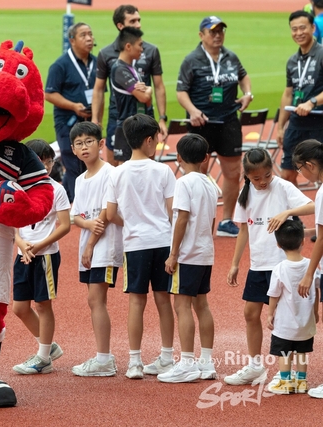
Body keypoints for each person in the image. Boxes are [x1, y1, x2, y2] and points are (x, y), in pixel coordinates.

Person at [225, 148, 312, 386]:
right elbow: (244, 230)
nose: (263, 181)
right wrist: (235, 264)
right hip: (258, 265)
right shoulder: (245, 194)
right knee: (250, 314)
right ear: (247, 176)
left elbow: (312, 206)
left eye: (267, 175)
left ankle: (287, 373)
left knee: (285, 319)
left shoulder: (283, 187)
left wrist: (287, 213)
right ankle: (255, 366)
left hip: (283, 265)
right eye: (256, 178)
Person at [106, 114, 176, 379]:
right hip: (162, 241)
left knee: (136, 302)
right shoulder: (163, 171)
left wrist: (132, 223)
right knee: (163, 300)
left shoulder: (117, 173)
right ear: (148, 140)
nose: (157, 143)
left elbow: (110, 214)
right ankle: (167, 357)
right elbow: (172, 211)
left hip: (135, 244)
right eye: (156, 139)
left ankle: (135, 362)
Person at [176, 16, 254, 238]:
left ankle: (226, 220)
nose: (217, 35)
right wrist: (192, 111)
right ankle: (196, 220)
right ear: (201, 35)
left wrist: (248, 94)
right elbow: (181, 92)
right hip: (202, 124)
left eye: (221, 31)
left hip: (229, 122)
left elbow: (244, 76)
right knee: (197, 173)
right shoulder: (191, 60)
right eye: (212, 31)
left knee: (232, 173)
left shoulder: (231, 57)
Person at [159, 134, 217, 383]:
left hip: (187, 254)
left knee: (182, 306)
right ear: (206, 157)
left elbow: (181, 218)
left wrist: (173, 254)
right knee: (202, 305)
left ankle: (187, 363)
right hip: (205, 252)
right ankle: (206, 362)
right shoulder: (210, 183)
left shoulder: (183, 183)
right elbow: (212, 220)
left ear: (179, 157)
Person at [12, 139, 70, 375]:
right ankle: (48, 346)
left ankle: (43, 358)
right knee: (19, 308)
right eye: (40, 161)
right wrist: (20, 242)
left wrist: (38, 246)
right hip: (23, 253)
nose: (46, 166)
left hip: (45, 255)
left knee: (42, 305)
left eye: (49, 161)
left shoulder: (57, 189)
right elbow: (11, 220)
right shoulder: (17, 187)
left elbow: (65, 225)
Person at [69, 122, 123, 376]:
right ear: (73, 149)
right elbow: (75, 215)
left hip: (105, 245)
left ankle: (104, 359)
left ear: (101, 144)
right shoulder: (80, 180)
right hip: (90, 245)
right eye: (79, 143)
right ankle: (103, 357)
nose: (84, 147)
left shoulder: (110, 173)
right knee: (94, 300)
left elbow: (105, 214)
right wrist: (86, 224)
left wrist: (90, 244)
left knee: (95, 299)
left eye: (89, 141)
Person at [92, 4, 167, 166]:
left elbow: (159, 86)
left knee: (148, 165)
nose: (138, 25)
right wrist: (95, 118)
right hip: (118, 116)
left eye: (139, 20)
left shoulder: (151, 50)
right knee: (115, 166)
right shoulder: (106, 53)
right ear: (120, 25)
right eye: (132, 21)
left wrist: (162, 118)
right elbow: (98, 89)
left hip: (145, 116)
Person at [266, 219, 319, 394]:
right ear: (303, 241)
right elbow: (316, 290)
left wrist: (270, 314)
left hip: (285, 322)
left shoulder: (279, 269)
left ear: (278, 245)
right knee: (302, 352)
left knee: (285, 353)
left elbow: (274, 294)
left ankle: (285, 381)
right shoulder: (312, 266)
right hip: (306, 320)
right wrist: (316, 312)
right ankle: (302, 382)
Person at [45, 22, 96, 202]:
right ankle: (79, 207)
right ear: (72, 40)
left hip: (89, 123)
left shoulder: (96, 62)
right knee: (73, 163)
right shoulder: (60, 65)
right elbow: (49, 94)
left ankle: (64, 201)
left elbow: (99, 93)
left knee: (86, 164)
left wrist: (97, 118)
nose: (89, 38)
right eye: (83, 35)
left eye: (90, 34)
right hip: (67, 122)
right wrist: (74, 106)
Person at [291, 139, 323, 398]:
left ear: (310, 165)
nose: (300, 174)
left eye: (300, 169)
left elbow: (322, 239)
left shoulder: (322, 192)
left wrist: (309, 274)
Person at [277, 11, 323, 186]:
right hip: (296, 124)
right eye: (294, 29)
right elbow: (288, 93)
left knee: (321, 173)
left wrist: (312, 102)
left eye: (302, 28)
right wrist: (281, 127)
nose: (298, 33)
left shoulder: (321, 54)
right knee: (287, 175)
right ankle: (295, 207)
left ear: (312, 28)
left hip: (319, 123)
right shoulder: (292, 61)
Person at [109, 27, 152, 163]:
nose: (142, 49)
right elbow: (144, 97)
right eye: (140, 45)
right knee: (125, 170)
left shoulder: (131, 68)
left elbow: (147, 100)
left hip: (137, 126)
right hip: (126, 128)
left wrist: (147, 90)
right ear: (128, 46)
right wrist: (149, 90)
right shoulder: (119, 69)